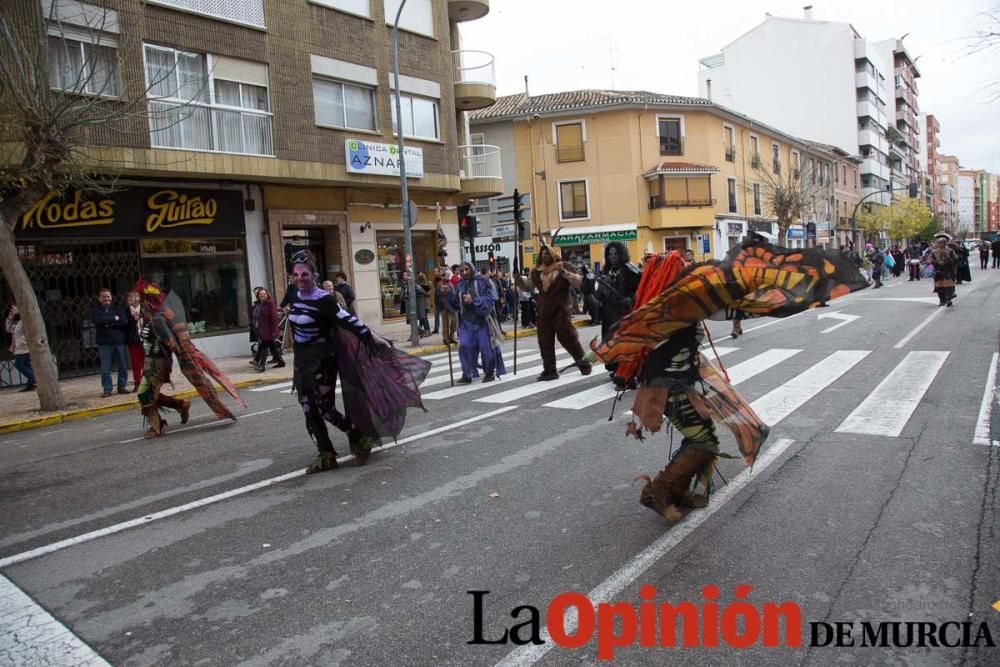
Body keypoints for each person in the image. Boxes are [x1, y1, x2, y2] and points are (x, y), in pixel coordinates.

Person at [590, 240, 868, 522]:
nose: (687, 272)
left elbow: (726, 302)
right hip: (668, 387)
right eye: (682, 269)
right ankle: (658, 491)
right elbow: (729, 302)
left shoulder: (668, 305)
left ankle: (675, 488)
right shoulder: (673, 307)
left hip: (674, 382)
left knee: (702, 436)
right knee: (703, 441)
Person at [286, 250, 430, 472]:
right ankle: (326, 453)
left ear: (314, 275)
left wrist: (374, 338)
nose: (299, 279)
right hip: (302, 361)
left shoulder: (324, 300)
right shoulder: (294, 295)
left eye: (304, 274)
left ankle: (360, 436)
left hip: (323, 360)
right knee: (307, 407)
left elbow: (348, 320)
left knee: (325, 408)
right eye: (295, 275)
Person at [136, 280, 245, 438]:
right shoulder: (149, 318)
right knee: (147, 394)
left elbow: (172, 343)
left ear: (148, 300)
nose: (141, 302)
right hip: (150, 361)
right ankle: (181, 405)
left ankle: (157, 425)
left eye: (142, 299)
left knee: (144, 393)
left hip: (158, 363)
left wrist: (185, 359)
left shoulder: (158, 320)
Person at [520, 245, 591, 381]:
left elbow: (579, 282)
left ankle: (584, 364)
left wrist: (567, 274)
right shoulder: (536, 272)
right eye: (543, 253)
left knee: (568, 339)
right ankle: (549, 370)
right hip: (542, 312)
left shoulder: (563, 267)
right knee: (544, 342)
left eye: (547, 253)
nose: (544, 255)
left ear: (552, 254)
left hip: (560, 310)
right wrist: (518, 279)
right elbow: (528, 286)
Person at [446, 262, 506, 384]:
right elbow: (455, 304)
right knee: (464, 347)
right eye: (461, 270)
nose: (464, 272)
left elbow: (490, 299)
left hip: (482, 321)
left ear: (472, 269)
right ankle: (467, 374)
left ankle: (489, 372)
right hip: (466, 323)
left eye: (466, 269)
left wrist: (473, 301)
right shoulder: (459, 285)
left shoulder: (483, 281)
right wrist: (445, 293)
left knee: (486, 348)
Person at [596, 242, 641, 344]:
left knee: (622, 344)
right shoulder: (606, 270)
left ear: (621, 254)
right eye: (610, 254)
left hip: (623, 313)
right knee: (609, 344)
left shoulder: (630, 270)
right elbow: (599, 294)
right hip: (608, 314)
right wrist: (601, 291)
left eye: (616, 254)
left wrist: (631, 298)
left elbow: (640, 288)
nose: (613, 257)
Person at [91, 288, 129, 397]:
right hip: (104, 343)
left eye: (108, 296)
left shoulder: (117, 309)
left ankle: (122, 387)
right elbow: (97, 320)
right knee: (105, 368)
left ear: (111, 297)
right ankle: (107, 389)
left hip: (119, 342)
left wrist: (108, 324)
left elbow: (124, 321)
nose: (106, 299)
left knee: (122, 365)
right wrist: (113, 318)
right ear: (99, 298)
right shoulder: (96, 310)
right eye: (103, 297)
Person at [5, 304, 34, 392]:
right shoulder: (16, 322)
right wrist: (10, 316)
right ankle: (31, 383)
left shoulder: (24, 321)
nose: (12, 310)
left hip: (24, 347)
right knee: (26, 365)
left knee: (19, 364)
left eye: (14, 308)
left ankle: (33, 379)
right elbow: (8, 329)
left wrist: (20, 310)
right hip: (18, 347)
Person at [254, 288, 284, 371]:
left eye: (264, 294)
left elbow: (274, 318)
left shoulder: (270, 303)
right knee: (273, 347)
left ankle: (262, 366)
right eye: (260, 294)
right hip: (262, 330)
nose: (262, 295)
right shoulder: (260, 304)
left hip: (269, 330)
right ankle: (281, 362)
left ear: (267, 295)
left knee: (264, 347)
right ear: (258, 296)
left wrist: (274, 331)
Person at [930, 233, 958, 307]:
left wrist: (948, 261)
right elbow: (930, 260)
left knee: (948, 286)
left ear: (945, 243)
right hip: (939, 270)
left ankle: (948, 299)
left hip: (948, 270)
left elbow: (955, 259)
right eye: (939, 243)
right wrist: (937, 262)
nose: (940, 244)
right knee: (940, 286)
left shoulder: (950, 251)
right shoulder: (934, 251)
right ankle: (942, 300)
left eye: (942, 243)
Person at [125, 291, 145, 392]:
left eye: (132, 296)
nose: (130, 298)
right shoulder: (126, 310)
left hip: (145, 339)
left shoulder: (145, 309)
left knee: (146, 362)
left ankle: (147, 383)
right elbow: (124, 323)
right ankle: (137, 383)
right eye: (129, 297)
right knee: (135, 363)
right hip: (132, 340)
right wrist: (133, 319)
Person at [436, 270, 458, 345]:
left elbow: (454, 294)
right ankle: (446, 338)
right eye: (445, 274)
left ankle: (451, 337)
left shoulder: (450, 284)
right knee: (446, 323)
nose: (447, 275)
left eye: (448, 274)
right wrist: (442, 294)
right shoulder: (439, 284)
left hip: (452, 307)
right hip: (444, 307)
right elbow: (437, 296)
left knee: (454, 323)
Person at [414, 272, 432, 336]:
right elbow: (428, 293)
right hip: (425, 303)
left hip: (422, 304)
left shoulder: (420, 286)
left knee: (424, 318)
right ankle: (424, 330)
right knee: (423, 317)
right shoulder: (427, 284)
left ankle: (427, 331)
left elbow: (424, 293)